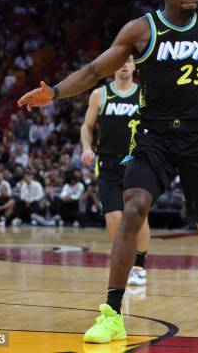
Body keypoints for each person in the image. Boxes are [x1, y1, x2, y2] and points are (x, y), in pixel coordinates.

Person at [17, 0, 198, 344]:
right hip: (153, 137)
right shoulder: (141, 29)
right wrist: (53, 92)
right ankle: (112, 313)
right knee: (133, 207)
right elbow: (92, 71)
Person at [81, 55, 150, 286]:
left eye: (128, 61)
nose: (124, 65)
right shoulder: (100, 94)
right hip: (108, 163)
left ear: (134, 66)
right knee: (114, 216)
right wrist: (86, 147)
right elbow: (87, 126)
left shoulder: (144, 94)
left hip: (137, 161)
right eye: (120, 61)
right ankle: (125, 258)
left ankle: (140, 265)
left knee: (138, 213)